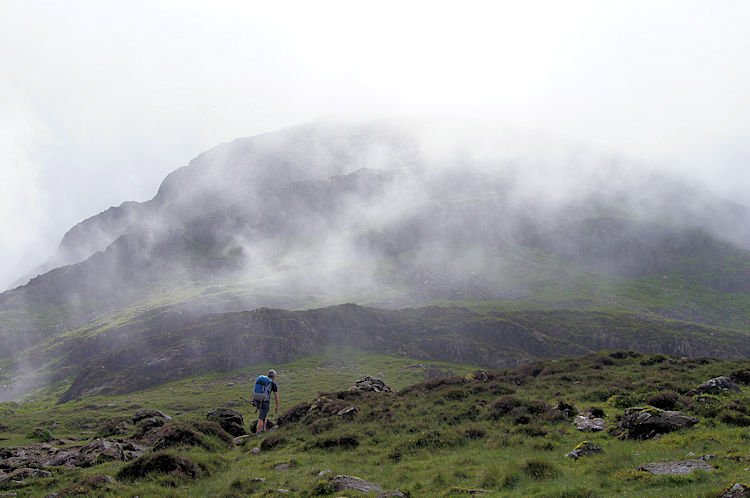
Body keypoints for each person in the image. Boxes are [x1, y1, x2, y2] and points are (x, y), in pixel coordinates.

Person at [256, 369, 279, 433]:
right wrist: (277, 406)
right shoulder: (273, 383)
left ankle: (264, 429)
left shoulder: (261, 381)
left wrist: (253, 401)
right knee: (261, 418)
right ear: (274, 376)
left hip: (256, 399)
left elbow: (254, 390)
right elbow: (276, 396)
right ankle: (258, 433)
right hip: (264, 401)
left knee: (263, 414)